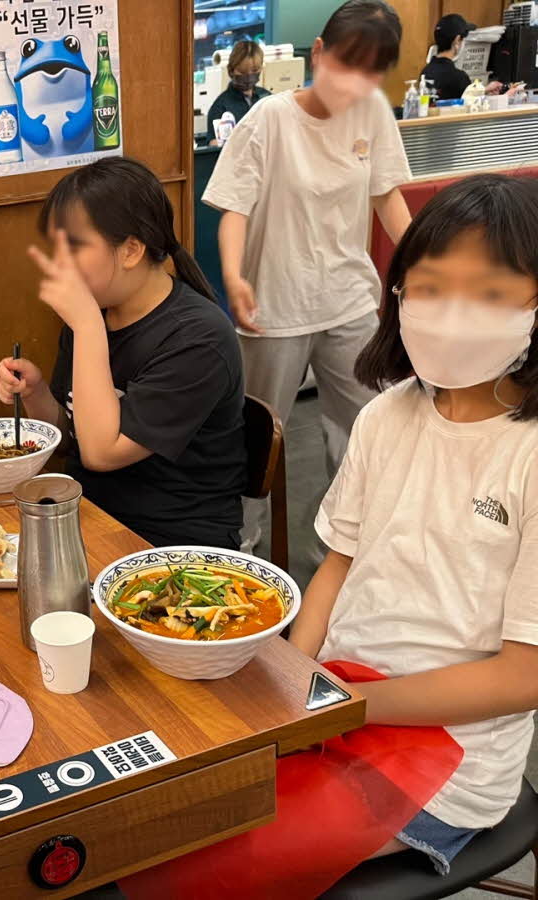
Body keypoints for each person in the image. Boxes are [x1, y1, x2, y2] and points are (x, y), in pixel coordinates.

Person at [291, 173, 538, 874]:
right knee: (162, 814)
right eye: (430, 288)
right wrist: (294, 684)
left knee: (216, 860)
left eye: (490, 293)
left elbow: (525, 674)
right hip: (336, 701)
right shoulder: (385, 414)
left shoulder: (528, 452)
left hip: (448, 759)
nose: (454, 315)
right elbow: (338, 564)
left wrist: (345, 707)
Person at [202, 0, 414, 558]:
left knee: (364, 429)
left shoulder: (373, 113)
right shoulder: (269, 118)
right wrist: (234, 277)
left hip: (349, 299)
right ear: (318, 53)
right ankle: (242, 549)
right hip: (274, 303)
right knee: (257, 436)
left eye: (370, 73)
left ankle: (345, 552)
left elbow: (387, 194)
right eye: (345, 65)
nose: (354, 84)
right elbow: (234, 208)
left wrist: (422, 261)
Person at [0, 156, 246, 549]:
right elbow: (72, 437)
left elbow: (100, 453)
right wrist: (36, 392)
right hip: (91, 516)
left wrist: (87, 327)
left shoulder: (198, 338)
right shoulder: (95, 314)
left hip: (174, 540)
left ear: (130, 250)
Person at [206, 40, 272, 146]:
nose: (249, 76)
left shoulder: (267, 99)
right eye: (242, 72)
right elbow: (213, 143)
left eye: (254, 71)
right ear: (231, 71)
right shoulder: (221, 106)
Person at [421, 14, 475, 101]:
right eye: (463, 39)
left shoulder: (425, 72)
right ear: (457, 40)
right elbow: (472, 103)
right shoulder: (459, 78)